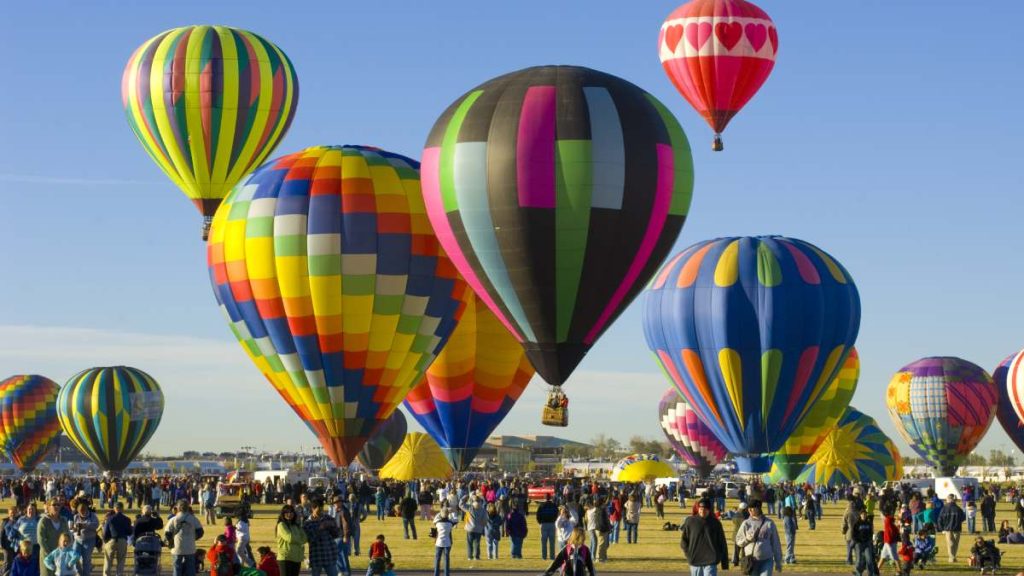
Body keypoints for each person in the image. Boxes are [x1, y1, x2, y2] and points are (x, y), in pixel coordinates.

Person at [680, 499, 728, 576]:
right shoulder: (690, 521)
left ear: (709, 510)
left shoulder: (715, 523)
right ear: (698, 509)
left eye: (705, 509)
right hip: (695, 560)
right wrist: (689, 554)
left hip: (711, 560)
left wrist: (724, 562)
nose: (702, 511)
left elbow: (722, 543)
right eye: (701, 509)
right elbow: (683, 541)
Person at [734, 500, 782, 576]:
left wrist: (778, 561)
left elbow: (775, 543)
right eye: (748, 508)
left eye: (752, 508)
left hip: (767, 560)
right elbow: (738, 541)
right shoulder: (746, 523)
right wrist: (747, 539)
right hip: (752, 561)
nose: (749, 510)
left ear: (758, 508)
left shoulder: (769, 523)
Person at [165, 501, 204, 576]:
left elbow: (167, 533)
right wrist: (194, 538)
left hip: (177, 547)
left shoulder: (174, 519)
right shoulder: (193, 519)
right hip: (190, 547)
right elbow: (200, 532)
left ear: (178, 508)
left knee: (177, 567)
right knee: (190, 568)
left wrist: (171, 542)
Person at [303, 500, 340, 576]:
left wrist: (332, 526)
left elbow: (336, 534)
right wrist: (320, 528)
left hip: (329, 554)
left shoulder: (328, 518)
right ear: (313, 509)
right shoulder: (307, 523)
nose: (321, 512)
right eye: (318, 510)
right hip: (316, 556)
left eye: (322, 509)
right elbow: (311, 540)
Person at [37, 501, 69, 576]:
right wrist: (50, 554)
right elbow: (40, 540)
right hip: (47, 555)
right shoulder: (44, 521)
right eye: (54, 504)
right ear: (48, 507)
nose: (56, 506)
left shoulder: (63, 520)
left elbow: (68, 537)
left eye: (58, 504)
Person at [101, 503, 131, 576]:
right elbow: (129, 532)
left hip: (112, 540)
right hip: (122, 540)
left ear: (114, 508)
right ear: (122, 509)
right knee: (121, 561)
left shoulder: (110, 519)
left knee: (108, 560)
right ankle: (119, 574)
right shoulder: (127, 519)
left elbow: (105, 532)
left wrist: (105, 541)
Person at [274, 506, 306, 576]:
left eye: (291, 512)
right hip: (286, 558)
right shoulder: (281, 525)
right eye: (287, 512)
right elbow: (289, 538)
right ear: (283, 513)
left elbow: (305, 538)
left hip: (296, 558)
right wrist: (299, 539)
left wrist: (298, 539)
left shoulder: (296, 526)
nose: (289, 514)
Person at [70, 502, 98, 576]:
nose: (82, 514)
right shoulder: (76, 516)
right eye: (80, 512)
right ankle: (79, 573)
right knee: (74, 557)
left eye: (83, 512)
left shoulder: (92, 515)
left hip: (89, 540)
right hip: (77, 540)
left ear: (86, 510)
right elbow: (72, 529)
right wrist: (73, 529)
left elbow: (96, 525)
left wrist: (86, 525)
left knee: (86, 560)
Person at [936, 494, 965, 563]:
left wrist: (941, 528)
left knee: (950, 544)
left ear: (948, 500)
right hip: (957, 527)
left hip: (947, 528)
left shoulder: (944, 508)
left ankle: (951, 557)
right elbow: (963, 517)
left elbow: (940, 519)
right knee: (955, 543)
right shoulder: (958, 508)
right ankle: (953, 557)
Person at [851, 509, 877, 576]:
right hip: (859, 544)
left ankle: (870, 573)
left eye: (865, 514)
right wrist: (857, 541)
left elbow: (871, 533)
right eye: (863, 514)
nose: (864, 515)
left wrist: (870, 540)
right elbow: (853, 534)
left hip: (867, 543)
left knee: (869, 559)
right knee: (859, 560)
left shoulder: (868, 523)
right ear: (860, 515)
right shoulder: (857, 523)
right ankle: (858, 573)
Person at [459, 495, 485, 561]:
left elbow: (461, 504)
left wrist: (465, 497)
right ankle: (476, 556)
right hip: (478, 528)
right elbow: (485, 519)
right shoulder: (483, 509)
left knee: (469, 543)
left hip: (470, 528)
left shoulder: (470, 507)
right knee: (477, 543)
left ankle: (470, 556)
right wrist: (482, 526)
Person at [431, 505, 456, 576]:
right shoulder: (450, 523)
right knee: (446, 560)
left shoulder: (438, 523)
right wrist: (452, 512)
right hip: (447, 543)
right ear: (448, 515)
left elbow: (435, 519)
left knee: (437, 559)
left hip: (439, 543)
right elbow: (456, 520)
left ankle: (436, 574)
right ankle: (446, 574)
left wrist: (440, 512)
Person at [535, 494, 558, 560]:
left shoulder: (541, 506)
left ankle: (544, 556)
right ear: (550, 498)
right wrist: (554, 520)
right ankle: (552, 556)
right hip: (552, 524)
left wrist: (540, 522)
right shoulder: (554, 505)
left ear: (544, 498)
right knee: (552, 542)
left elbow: (538, 515)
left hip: (544, 524)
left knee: (544, 542)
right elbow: (556, 514)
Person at [877, 509, 900, 573]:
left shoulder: (888, 521)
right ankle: (877, 569)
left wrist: (883, 513)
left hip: (890, 542)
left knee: (894, 556)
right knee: (883, 556)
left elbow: (883, 515)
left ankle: (899, 571)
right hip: (888, 542)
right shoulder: (891, 523)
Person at [842, 498, 861, 566]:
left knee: (849, 548)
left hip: (849, 533)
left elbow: (844, 524)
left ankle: (849, 561)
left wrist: (843, 532)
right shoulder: (858, 513)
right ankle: (858, 561)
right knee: (857, 548)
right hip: (857, 533)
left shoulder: (847, 513)